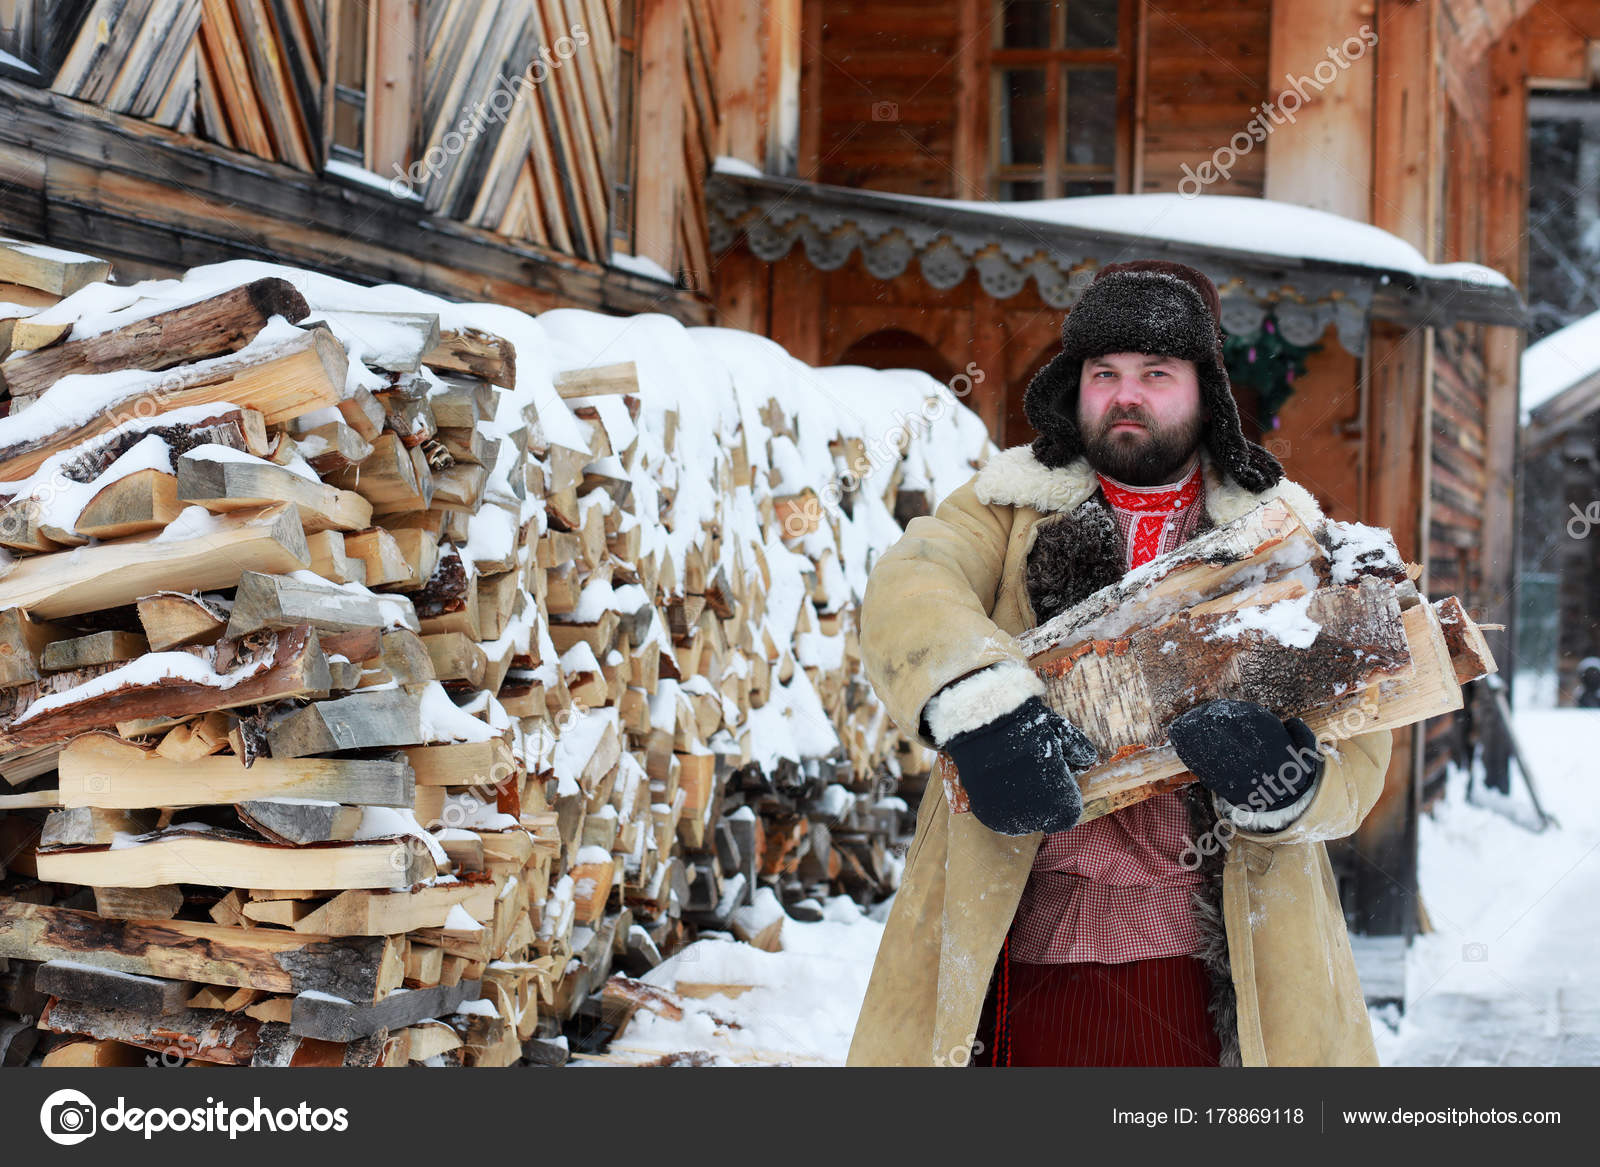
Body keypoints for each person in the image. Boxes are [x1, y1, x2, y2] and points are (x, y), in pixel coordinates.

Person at [848, 260, 1393, 1068]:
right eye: (1104, 373)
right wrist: (982, 708)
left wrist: (1292, 785)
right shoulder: (1006, 507)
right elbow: (912, 581)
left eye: (1156, 374)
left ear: (1203, 392)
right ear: (1076, 386)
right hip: (1017, 945)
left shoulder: (1280, 537)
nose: (1125, 395)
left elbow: (1360, 739)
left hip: (1216, 957)